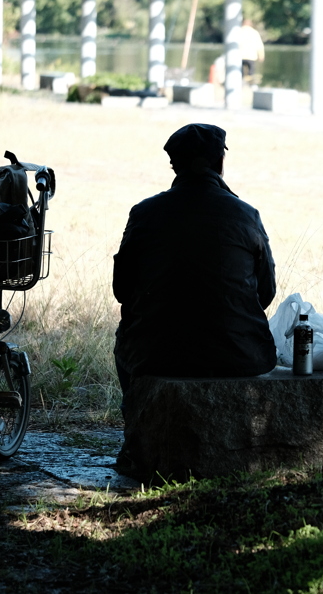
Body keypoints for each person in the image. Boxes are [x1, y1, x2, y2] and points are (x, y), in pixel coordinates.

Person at [113, 123, 277, 403]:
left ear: (174, 166)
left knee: (126, 340)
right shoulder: (246, 215)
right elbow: (266, 293)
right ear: (220, 163)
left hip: (155, 356)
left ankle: (137, 417)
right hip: (241, 356)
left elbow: (121, 290)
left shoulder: (144, 213)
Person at [237, 19, 265, 85]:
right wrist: (261, 55)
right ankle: (250, 85)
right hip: (251, 56)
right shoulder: (254, 32)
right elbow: (260, 45)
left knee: (240, 73)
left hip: (240, 56)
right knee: (251, 73)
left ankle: (241, 84)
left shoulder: (238, 31)